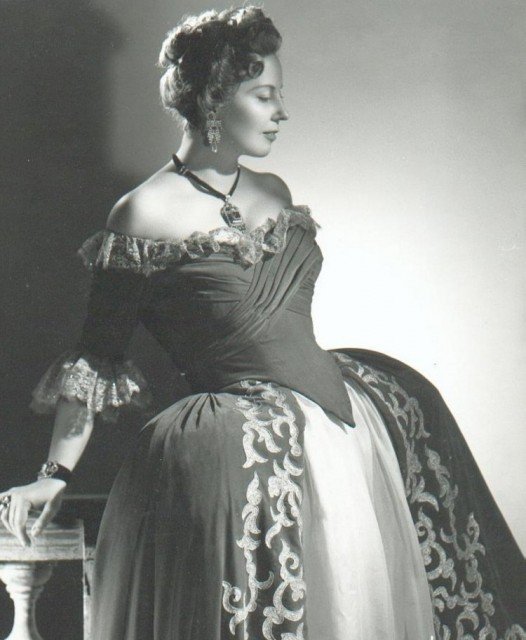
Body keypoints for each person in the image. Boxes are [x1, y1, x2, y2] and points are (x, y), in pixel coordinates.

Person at [1, 6, 524, 639]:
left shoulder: (274, 190)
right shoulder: (141, 214)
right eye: (264, 95)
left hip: (347, 427)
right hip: (245, 445)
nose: (281, 112)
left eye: (279, 94)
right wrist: (52, 476)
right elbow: (95, 358)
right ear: (213, 100)